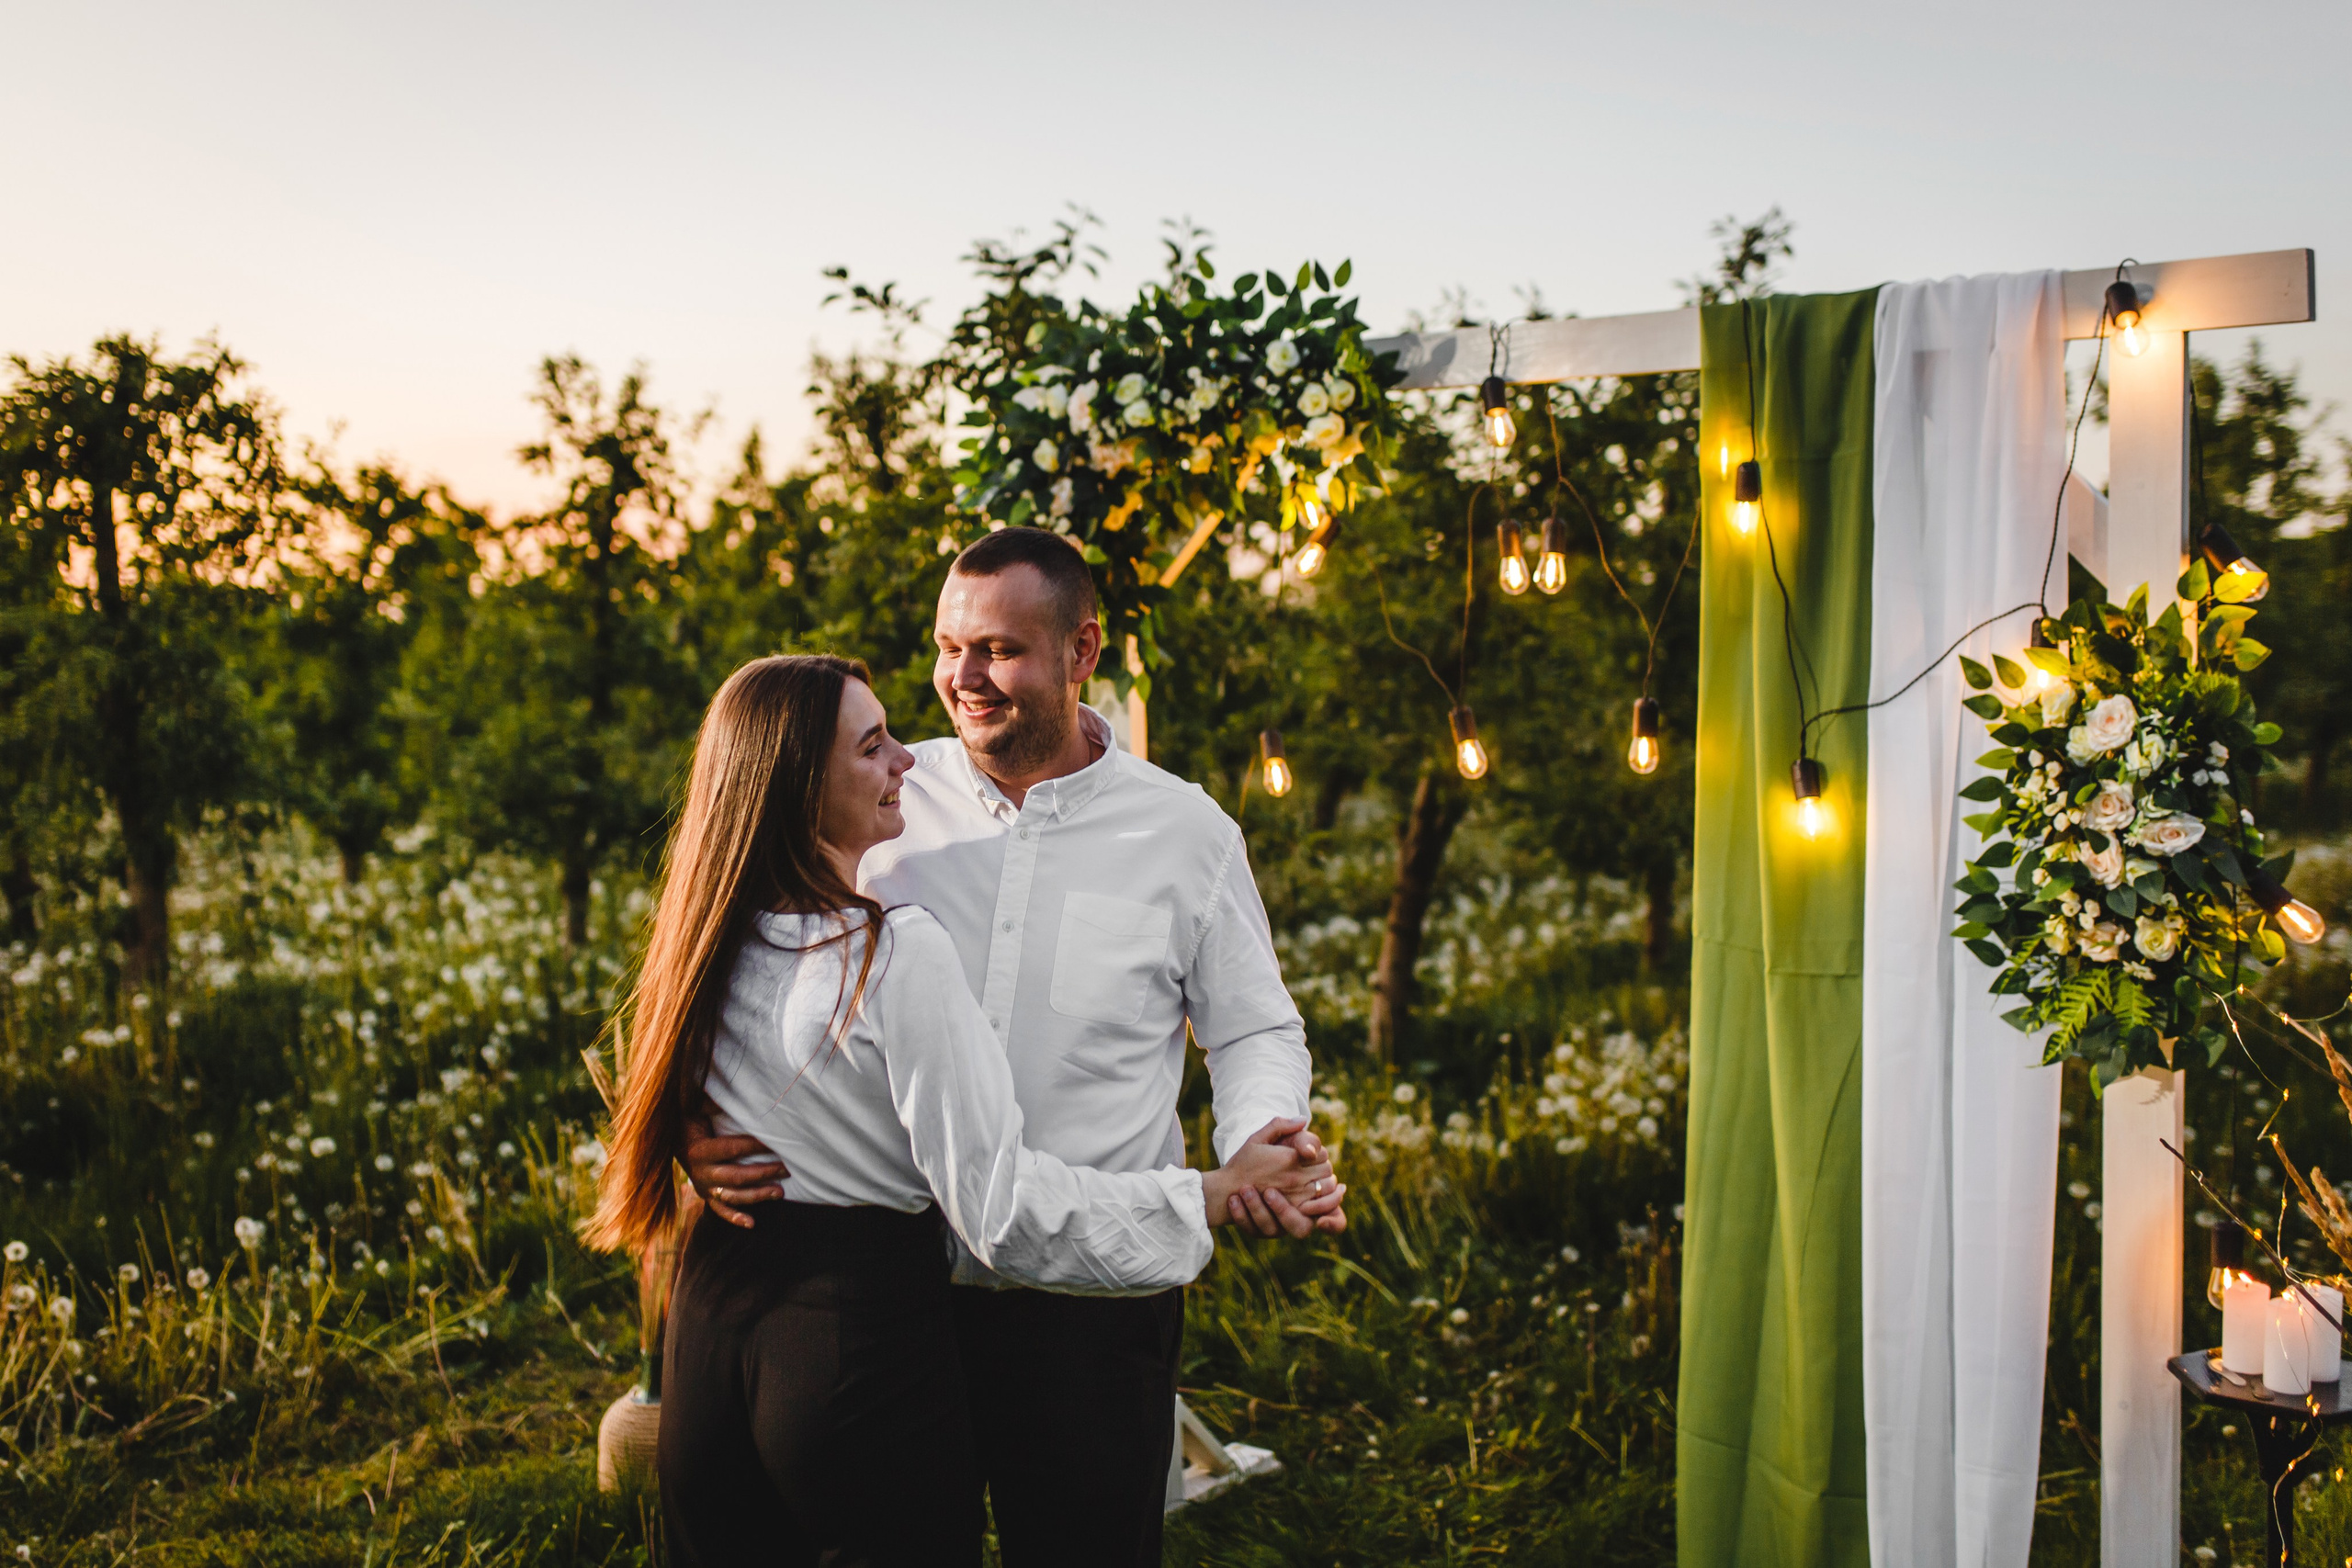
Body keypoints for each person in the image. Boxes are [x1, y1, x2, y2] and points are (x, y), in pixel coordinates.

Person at [585, 653, 1339, 1568]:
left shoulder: (1181, 831)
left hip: (996, 1314)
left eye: (1001, 647)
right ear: (794, 783)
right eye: (949, 646)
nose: (957, 682)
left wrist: (1264, 1136)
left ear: (1081, 650)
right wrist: (1213, 1195)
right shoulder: (893, 919)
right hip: (874, 1320)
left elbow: (1255, 1023)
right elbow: (1001, 1207)